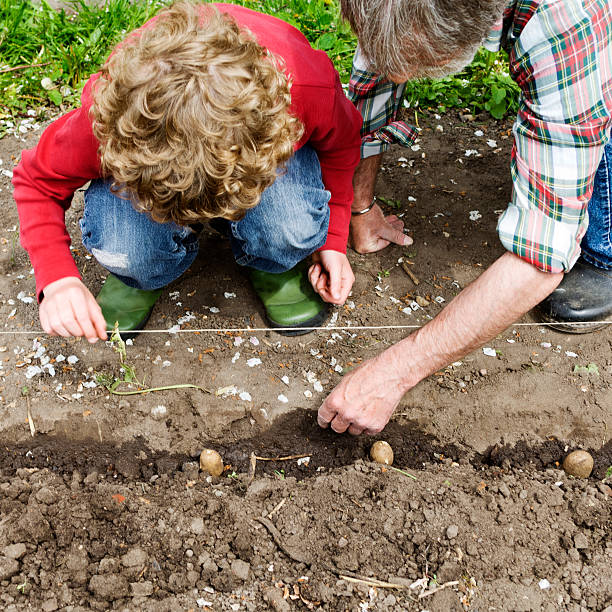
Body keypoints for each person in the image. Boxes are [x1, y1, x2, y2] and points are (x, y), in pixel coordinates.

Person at [318, 0, 612, 435]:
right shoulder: (396, 9)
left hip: (590, 45)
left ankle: (605, 249)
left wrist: (394, 372)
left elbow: (543, 250)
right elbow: (374, 83)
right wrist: (359, 206)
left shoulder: (568, 20)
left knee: (595, 118)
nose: (400, 76)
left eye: (415, 62)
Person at [12, 1, 362, 341]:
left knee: (290, 230)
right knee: (129, 250)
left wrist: (332, 240)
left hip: (262, 133)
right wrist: (57, 280)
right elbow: (36, 182)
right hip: (158, 153)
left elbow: (341, 148)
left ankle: (273, 261)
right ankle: (144, 273)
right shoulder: (109, 123)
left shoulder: (303, 93)